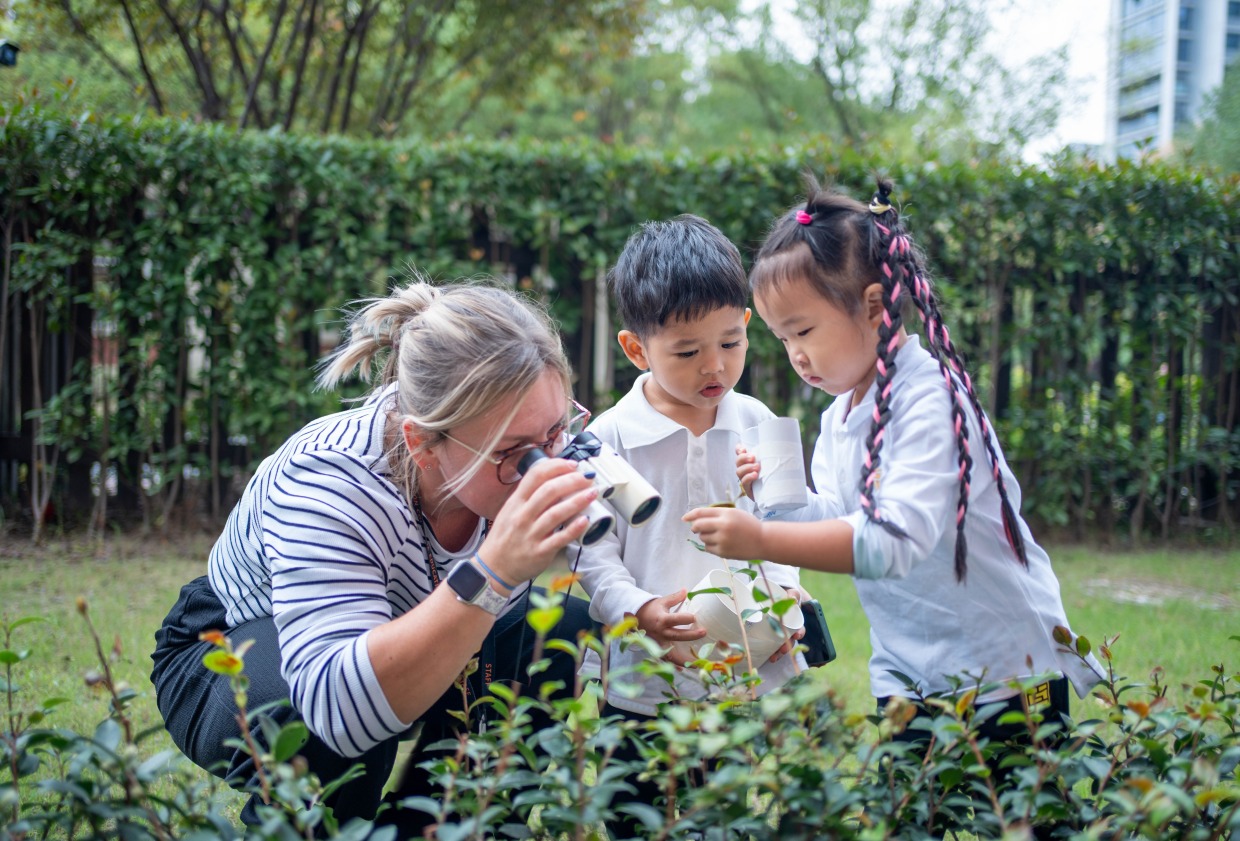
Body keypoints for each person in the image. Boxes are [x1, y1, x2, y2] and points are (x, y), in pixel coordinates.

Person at [150, 277, 601, 833]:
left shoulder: (538, 444)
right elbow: (338, 703)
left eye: (558, 430)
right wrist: (494, 571)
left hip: (410, 625)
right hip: (237, 649)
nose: (548, 462)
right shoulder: (330, 481)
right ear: (422, 444)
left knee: (563, 638)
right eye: (511, 454)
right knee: (341, 715)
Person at [683, 177, 1103, 762]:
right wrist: (784, 500)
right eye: (782, 339)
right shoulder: (841, 415)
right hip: (908, 672)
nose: (795, 355)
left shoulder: (931, 399)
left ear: (875, 305)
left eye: (803, 331)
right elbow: (841, 514)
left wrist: (762, 537)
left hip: (1004, 671)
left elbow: (891, 541)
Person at [573, 215, 807, 839]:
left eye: (731, 343)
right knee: (634, 811)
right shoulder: (609, 442)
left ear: (748, 326)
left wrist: (783, 600)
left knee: (722, 815)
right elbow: (594, 557)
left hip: (737, 666)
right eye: (687, 352)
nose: (716, 367)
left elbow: (788, 532)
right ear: (635, 349)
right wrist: (639, 608)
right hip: (643, 677)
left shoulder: (757, 421)